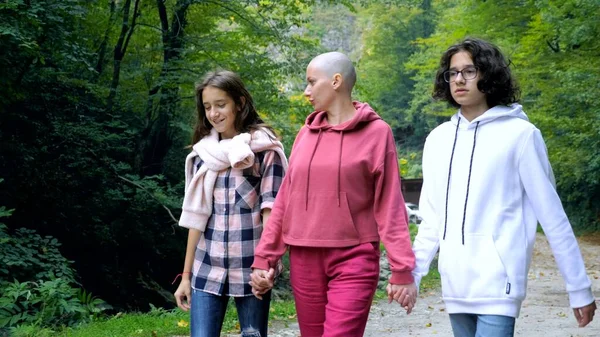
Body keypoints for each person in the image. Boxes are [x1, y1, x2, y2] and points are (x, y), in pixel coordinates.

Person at [411, 37, 597, 337]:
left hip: (499, 283)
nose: (459, 79)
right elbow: (431, 219)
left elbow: (553, 217)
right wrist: (414, 274)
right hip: (455, 284)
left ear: (488, 74)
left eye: (469, 71)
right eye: (452, 73)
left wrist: (578, 288)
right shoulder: (438, 140)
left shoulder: (521, 135)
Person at [249, 52, 417, 337]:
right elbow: (285, 201)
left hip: (355, 257)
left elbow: (390, 205)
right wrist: (265, 258)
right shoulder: (306, 133)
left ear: (336, 81)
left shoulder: (378, 133)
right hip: (304, 258)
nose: (306, 91)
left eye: (312, 82)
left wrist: (402, 269)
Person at [173, 70, 288, 337]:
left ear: (240, 103)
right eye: (207, 107)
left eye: (220, 104)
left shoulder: (265, 151)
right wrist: (186, 276)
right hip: (206, 269)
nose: (213, 113)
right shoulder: (202, 155)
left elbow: (272, 213)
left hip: (251, 270)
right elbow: (196, 217)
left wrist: (267, 264)